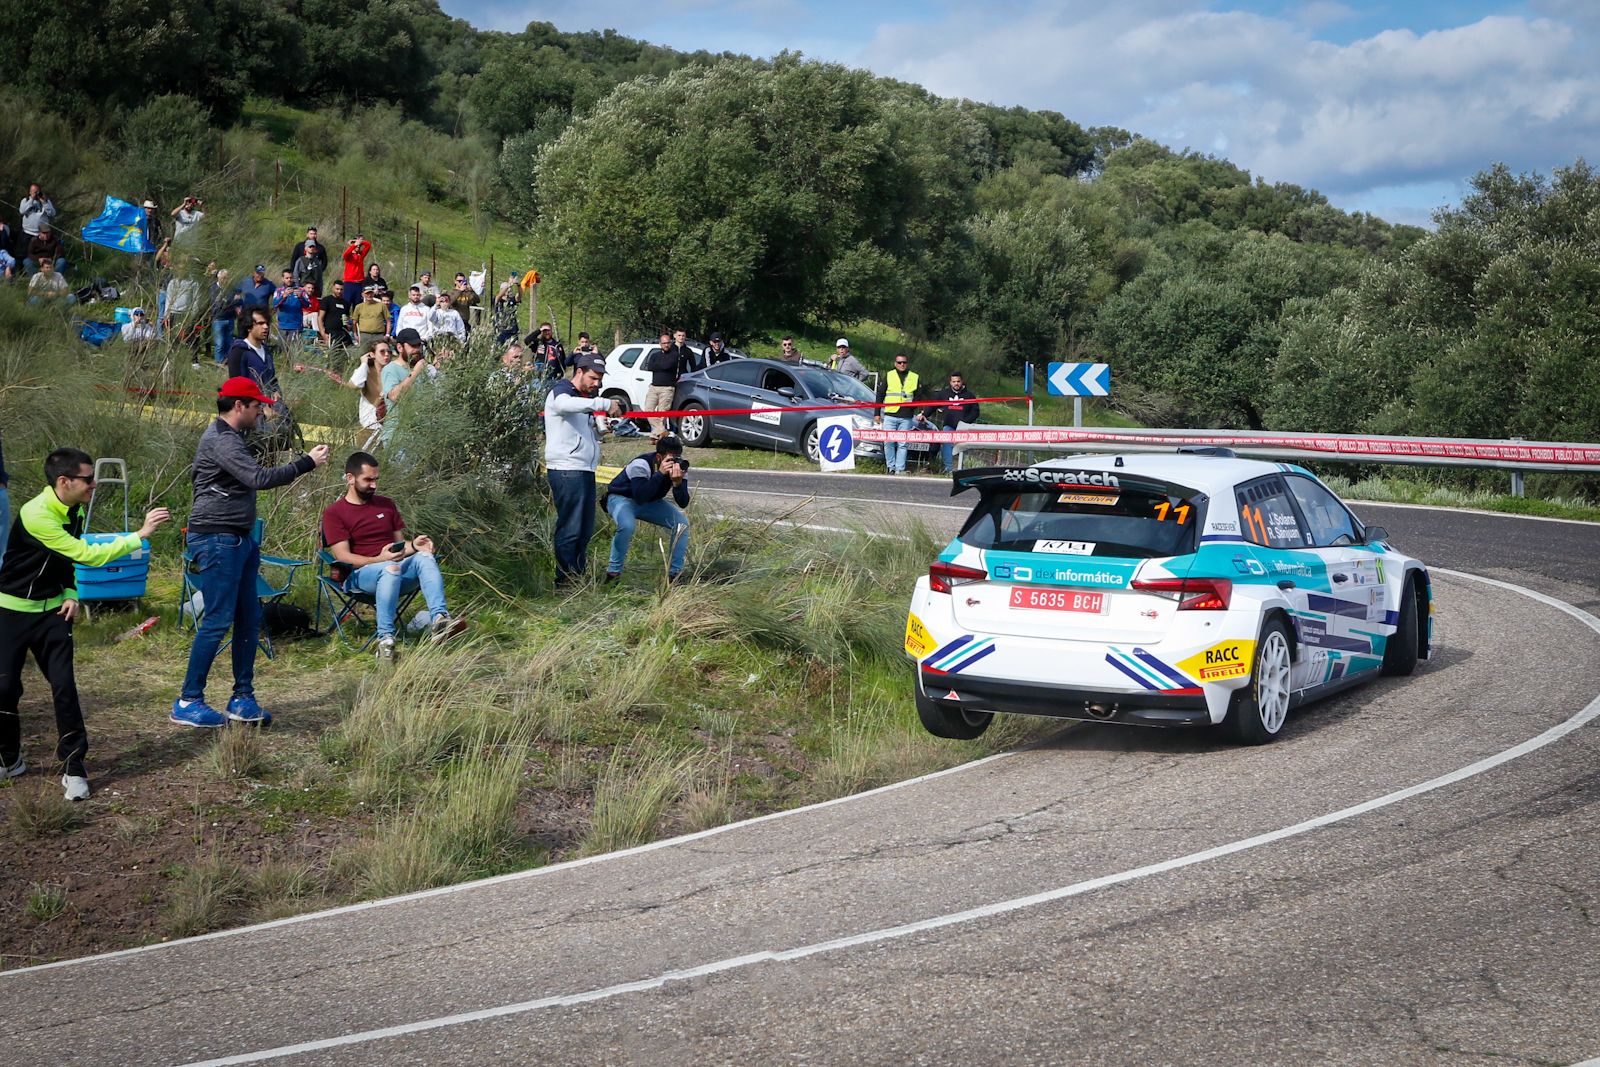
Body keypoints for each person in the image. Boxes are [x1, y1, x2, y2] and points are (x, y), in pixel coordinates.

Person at [1, 448, 172, 798]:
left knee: (64, 688)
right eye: (88, 479)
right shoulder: (36, 514)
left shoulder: (74, 508)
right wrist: (140, 534)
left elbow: (67, 560)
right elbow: (86, 554)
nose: (94, 484)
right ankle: (9, 758)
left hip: (53, 614)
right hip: (12, 610)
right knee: (4, 689)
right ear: (64, 481)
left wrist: (71, 591)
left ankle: (74, 768)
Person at [173, 379, 329, 728]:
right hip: (217, 539)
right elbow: (258, 478)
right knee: (216, 620)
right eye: (257, 405)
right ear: (239, 405)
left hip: (239, 539)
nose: (262, 410)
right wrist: (306, 463)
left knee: (249, 619)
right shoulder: (221, 440)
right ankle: (188, 700)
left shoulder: (233, 438)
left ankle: (242, 698)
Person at [322, 451, 466, 661]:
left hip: (395, 572)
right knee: (390, 568)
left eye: (376, 480)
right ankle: (385, 641)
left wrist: (415, 545)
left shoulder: (385, 504)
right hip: (360, 576)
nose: (373, 485)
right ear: (350, 478)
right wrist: (379, 560)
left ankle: (440, 621)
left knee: (424, 557)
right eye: (368, 480)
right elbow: (343, 556)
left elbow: (400, 546)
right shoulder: (335, 513)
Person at [544, 353, 622, 586]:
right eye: (593, 378)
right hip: (567, 469)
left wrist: (599, 431)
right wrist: (603, 403)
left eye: (599, 380)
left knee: (584, 528)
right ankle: (566, 580)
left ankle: (577, 576)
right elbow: (562, 405)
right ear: (579, 372)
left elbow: (579, 430)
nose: (596, 384)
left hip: (584, 469)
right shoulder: (562, 389)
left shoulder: (581, 397)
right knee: (571, 528)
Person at [604, 436, 691, 582]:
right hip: (621, 498)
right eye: (669, 459)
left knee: (682, 524)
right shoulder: (641, 464)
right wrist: (660, 474)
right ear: (659, 457)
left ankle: (675, 575)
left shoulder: (679, 467)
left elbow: (683, 503)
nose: (673, 463)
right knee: (627, 526)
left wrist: (677, 483)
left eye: (677, 458)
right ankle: (613, 573)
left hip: (649, 501)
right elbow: (640, 496)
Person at [379, 328, 429, 443]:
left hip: (419, 436)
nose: (417, 350)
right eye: (413, 346)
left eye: (419, 346)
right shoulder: (390, 369)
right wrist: (415, 372)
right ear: (400, 348)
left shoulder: (421, 368)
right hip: (398, 439)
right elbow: (395, 396)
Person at [875, 353, 921, 475]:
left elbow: (918, 396)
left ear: (907, 363)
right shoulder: (889, 375)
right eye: (899, 362)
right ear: (895, 364)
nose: (902, 365)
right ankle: (891, 467)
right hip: (890, 414)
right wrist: (877, 413)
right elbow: (880, 394)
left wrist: (912, 408)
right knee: (888, 442)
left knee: (902, 444)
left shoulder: (914, 377)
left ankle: (900, 469)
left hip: (906, 416)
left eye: (904, 362)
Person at [927, 371, 980, 473]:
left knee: (964, 448)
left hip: (965, 427)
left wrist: (965, 422)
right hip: (949, 426)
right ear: (950, 382)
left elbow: (975, 412)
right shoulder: (944, 394)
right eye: (954, 381)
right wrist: (924, 415)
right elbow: (932, 405)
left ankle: (963, 470)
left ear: (962, 382)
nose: (956, 383)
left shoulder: (969, 395)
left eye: (958, 381)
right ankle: (948, 470)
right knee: (947, 446)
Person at [642, 332, 689, 438]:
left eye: (668, 343)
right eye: (664, 343)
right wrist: (660, 366)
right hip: (654, 387)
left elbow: (667, 366)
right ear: (660, 344)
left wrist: (659, 365)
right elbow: (650, 367)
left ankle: (656, 435)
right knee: (648, 410)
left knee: (662, 413)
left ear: (670, 343)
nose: (666, 345)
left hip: (667, 388)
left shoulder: (674, 355)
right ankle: (662, 431)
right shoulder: (654, 355)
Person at [226, 309, 281, 398]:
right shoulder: (239, 352)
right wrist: (261, 407)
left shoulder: (267, 352)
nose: (266, 327)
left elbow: (272, 379)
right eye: (260, 323)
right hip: (251, 408)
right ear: (248, 327)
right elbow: (238, 388)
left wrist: (276, 392)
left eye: (267, 323)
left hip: (272, 405)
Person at [345, 341, 391, 446]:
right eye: (382, 352)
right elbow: (353, 385)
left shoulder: (391, 373)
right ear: (372, 354)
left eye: (389, 351)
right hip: (368, 427)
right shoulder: (365, 371)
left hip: (388, 427)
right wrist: (364, 363)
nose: (387, 354)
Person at [271, 276, 309, 357]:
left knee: (293, 351)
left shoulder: (301, 290)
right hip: (283, 325)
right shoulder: (278, 291)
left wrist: (300, 297)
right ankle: (283, 367)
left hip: (296, 325)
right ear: (283, 279)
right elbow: (275, 304)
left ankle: (292, 367)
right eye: (287, 278)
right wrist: (284, 296)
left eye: (291, 278)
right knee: (281, 350)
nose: (289, 280)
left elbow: (307, 305)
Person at [209, 268, 241, 365]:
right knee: (219, 343)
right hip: (218, 319)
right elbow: (217, 304)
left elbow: (238, 301)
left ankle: (228, 361)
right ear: (218, 278)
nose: (225, 280)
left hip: (230, 318)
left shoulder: (231, 288)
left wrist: (228, 301)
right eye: (223, 278)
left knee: (229, 341)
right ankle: (219, 363)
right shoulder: (213, 288)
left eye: (226, 278)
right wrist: (230, 301)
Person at [341, 235, 372, 307]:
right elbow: (345, 254)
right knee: (346, 303)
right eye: (356, 246)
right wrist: (354, 244)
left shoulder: (361, 255)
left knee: (358, 304)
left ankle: (356, 318)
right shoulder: (349, 256)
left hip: (359, 283)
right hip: (349, 283)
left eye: (359, 246)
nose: (358, 247)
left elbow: (368, 245)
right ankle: (345, 318)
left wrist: (360, 241)